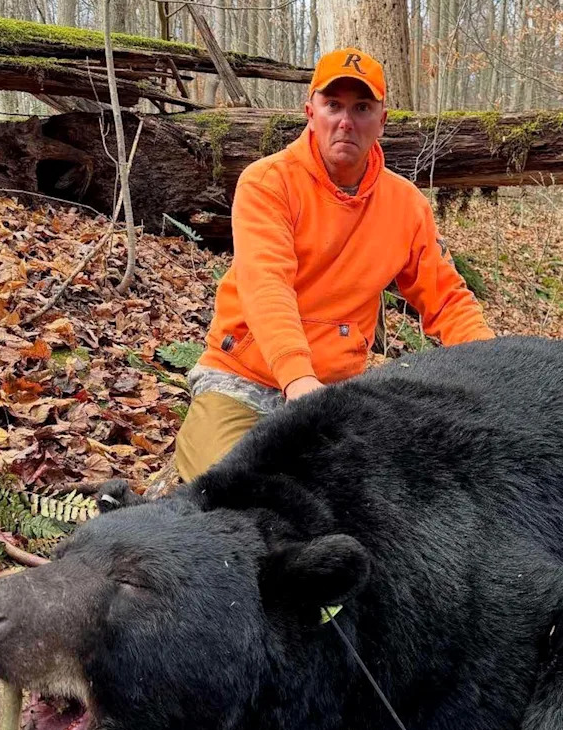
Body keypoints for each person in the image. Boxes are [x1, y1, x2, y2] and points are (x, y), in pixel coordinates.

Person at [175, 47, 495, 482]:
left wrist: (496, 365)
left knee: (374, 504)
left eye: (362, 108)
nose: (346, 121)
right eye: (333, 106)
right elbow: (267, 286)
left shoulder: (406, 206)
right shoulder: (268, 182)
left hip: (336, 392)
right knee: (227, 495)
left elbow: (447, 300)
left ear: (382, 121)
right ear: (311, 112)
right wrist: (297, 381)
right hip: (244, 380)